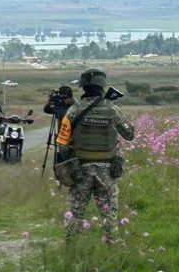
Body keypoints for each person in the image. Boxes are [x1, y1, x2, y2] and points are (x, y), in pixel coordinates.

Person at [55, 68, 134, 239]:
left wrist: (72, 159)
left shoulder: (74, 111)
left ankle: (71, 249)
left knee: (75, 214)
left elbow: (61, 143)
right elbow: (130, 134)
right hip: (107, 170)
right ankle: (112, 249)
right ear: (103, 86)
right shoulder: (113, 110)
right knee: (109, 216)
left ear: (82, 87)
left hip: (80, 169)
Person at [43, 85, 75, 167]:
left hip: (72, 138)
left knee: (70, 160)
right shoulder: (60, 105)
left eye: (63, 98)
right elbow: (47, 110)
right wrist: (50, 101)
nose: (62, 101)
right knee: (60, 160)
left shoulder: (75, 107)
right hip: (61, 137)